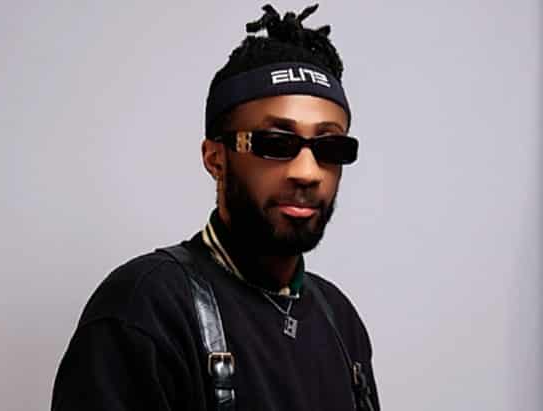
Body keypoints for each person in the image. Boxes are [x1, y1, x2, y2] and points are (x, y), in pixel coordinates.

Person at [51, 4, 380, 411]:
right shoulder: (145, 308)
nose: (307, 172)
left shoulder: (340, 321)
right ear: (215, 157)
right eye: (276, 143)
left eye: (331, 147)